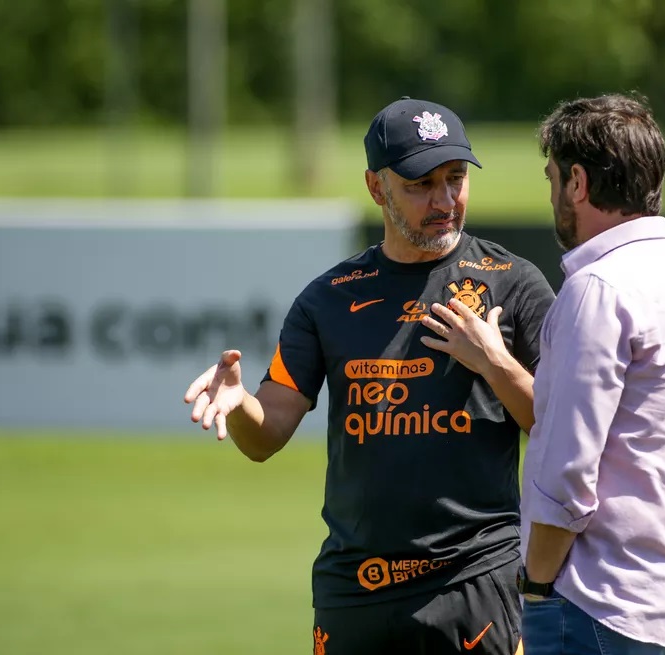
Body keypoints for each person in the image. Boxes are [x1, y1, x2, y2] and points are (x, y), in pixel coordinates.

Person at [184, 96, 556, 654]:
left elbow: (561, 426)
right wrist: (239, 404)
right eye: (420, 184)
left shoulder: (514, 283)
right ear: (375, 186)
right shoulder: (326, 300)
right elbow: (266, 436)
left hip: (474, 582)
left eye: (456, 178)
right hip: (353, 592)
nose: (444, 200)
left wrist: (494, 362)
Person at [517, 93, 665, 655]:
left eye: (552, 179)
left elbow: (566, 476)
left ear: (577, 183)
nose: (552, 197)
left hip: (592, 604)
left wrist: (535, 586)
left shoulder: (597, 288)